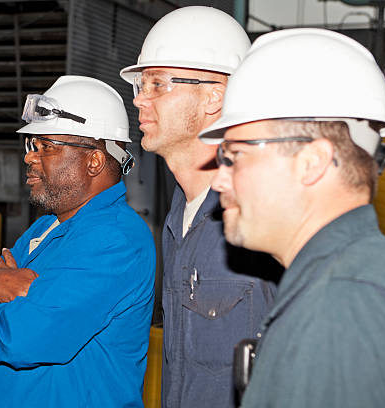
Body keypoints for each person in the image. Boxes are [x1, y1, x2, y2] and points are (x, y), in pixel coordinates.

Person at [201, 28, 385, 407]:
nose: (219, 179)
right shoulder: (349, 282)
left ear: (312, 163)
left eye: (233, 156)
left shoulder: (343, 306)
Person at [0, 75, 156, 407]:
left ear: (94, 160)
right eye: (30, 145)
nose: (29, 158)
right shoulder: (44, 228)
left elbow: (22, 338)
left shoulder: (116, 240)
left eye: (45, 146)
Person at [119, 6, 279, 407]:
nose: (139, 101)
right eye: (141, 85)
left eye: (157, 85)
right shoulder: (179, 217)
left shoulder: (263, 217)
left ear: (214, 97)